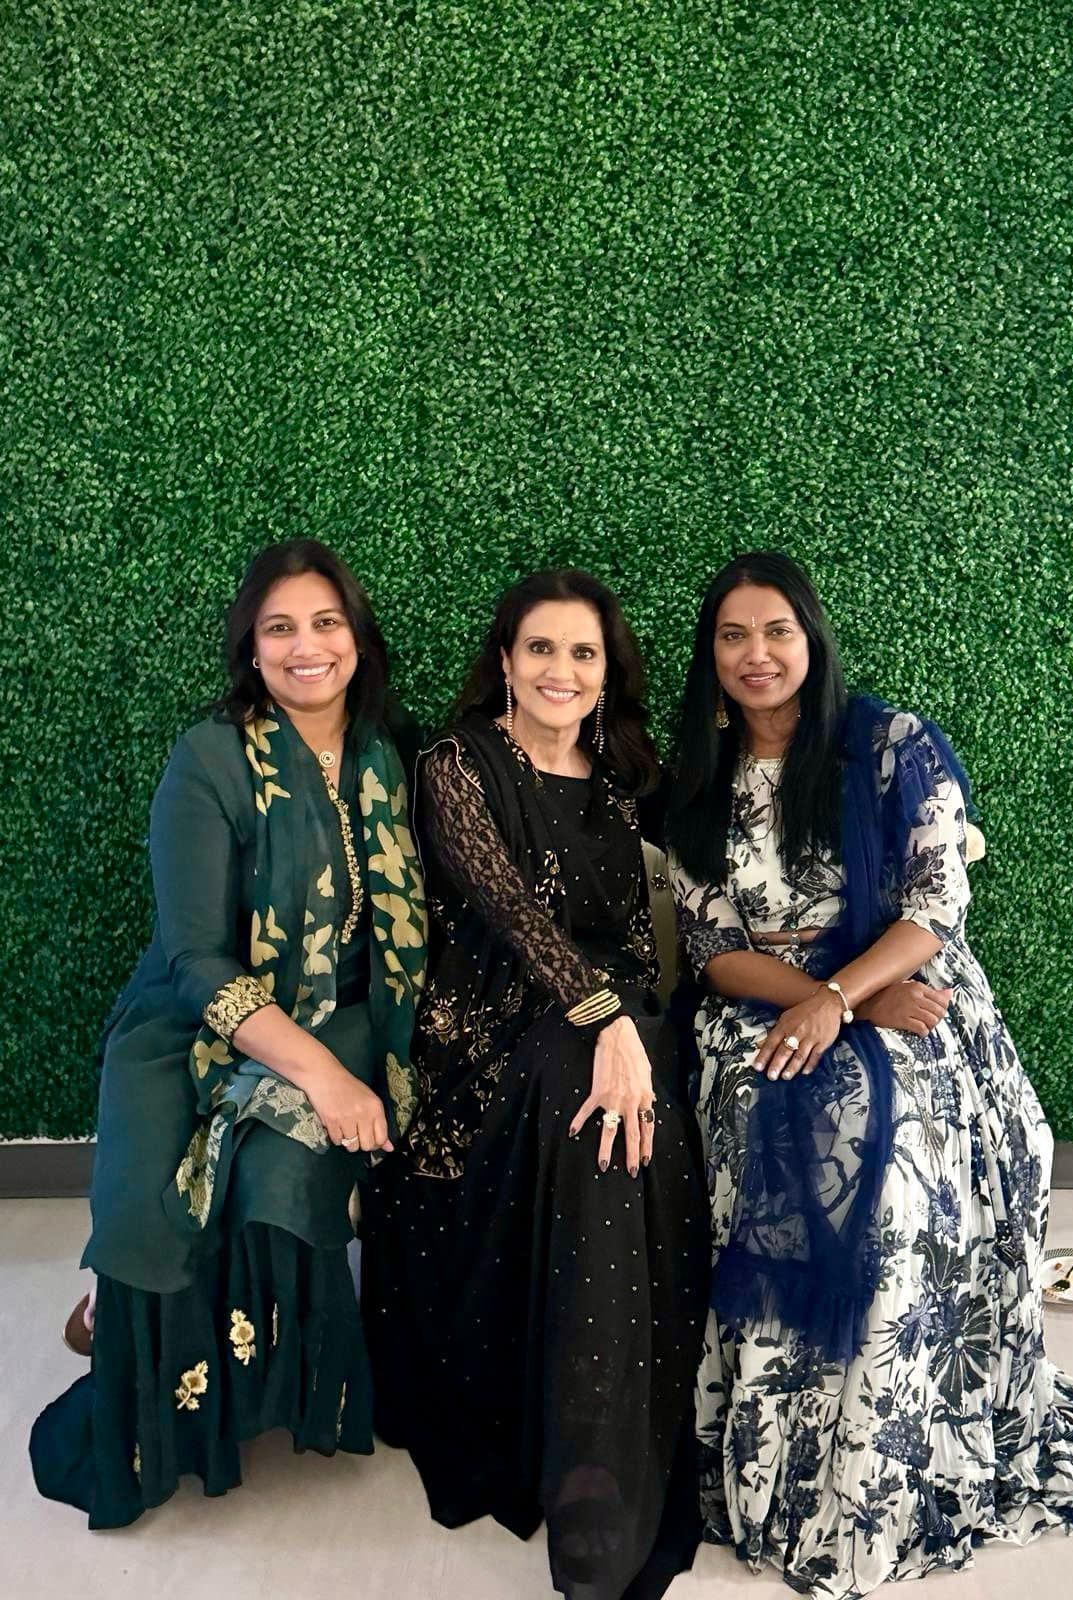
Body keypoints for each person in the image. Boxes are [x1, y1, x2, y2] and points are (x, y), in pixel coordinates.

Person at [666, 551, 1073, 1596]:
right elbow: (709, 946)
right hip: (760, 1005)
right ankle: (792, 1465)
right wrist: (810, 999)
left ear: (811, 639)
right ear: (710, 655)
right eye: (733, 636)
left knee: (902, 1168)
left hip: (905, 986)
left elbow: (934, 906)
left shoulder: (893, 746)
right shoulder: (693, 778)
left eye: (777, 631)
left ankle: (895, 1460)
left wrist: (846, 995)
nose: (758, 654)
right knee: (778, 1133)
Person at [30, 538, 427, 1528]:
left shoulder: (386, 756)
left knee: (274, 1179)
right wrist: (328, 1084)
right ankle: (126, 1338)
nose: (306, 647)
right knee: (144, 1211)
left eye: (326, 623)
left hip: (338, 1014)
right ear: (250, 650)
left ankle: (270, 1396)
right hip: (187, 1023)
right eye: (279, 628)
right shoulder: (208, 757)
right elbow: (196, 957)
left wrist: (367, 1060)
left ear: (356, 638)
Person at [360, 569, 708, 1600]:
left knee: (630, 1110)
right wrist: (604, 1020)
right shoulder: (457, 765)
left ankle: (617, 1444)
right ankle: (591, 1495)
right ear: (504, 661)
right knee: (598, 1110)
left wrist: (632, 1020)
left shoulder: (623, 775)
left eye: (584, 653)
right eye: (542, 649)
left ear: (608, 674)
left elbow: (662, 922)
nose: (562, 670)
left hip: (614, 1021)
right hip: (487, 1036)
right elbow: (509, 911)